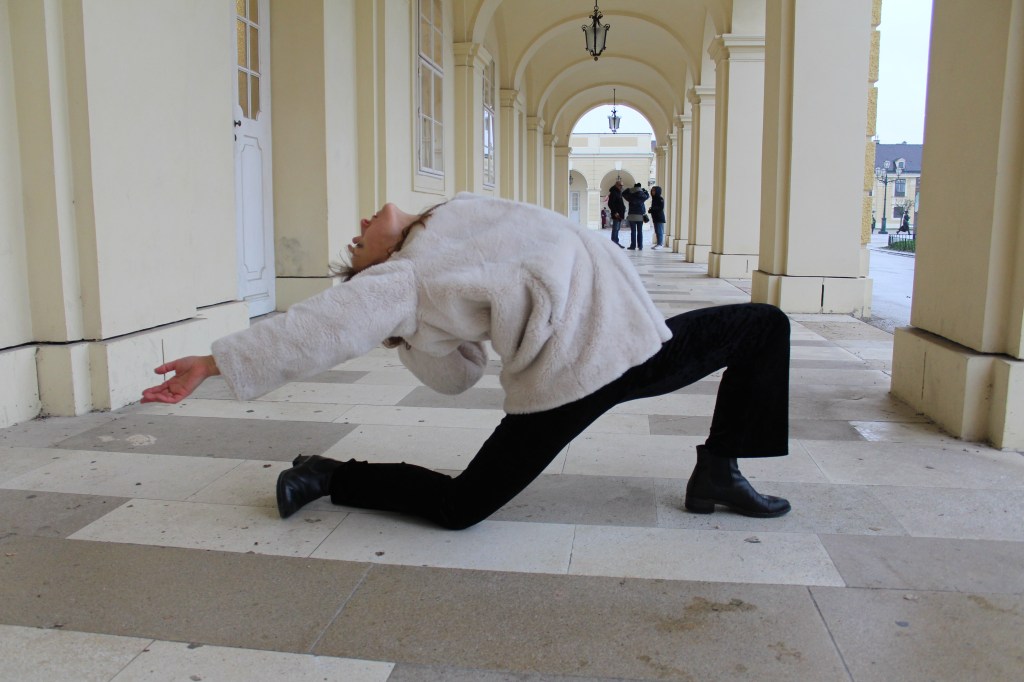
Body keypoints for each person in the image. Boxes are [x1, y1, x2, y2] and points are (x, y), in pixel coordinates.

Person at [142, 194, 792, 529]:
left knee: (763, 326)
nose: (360, 225)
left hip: (629, 336)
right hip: (573, 372)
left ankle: (718, 470)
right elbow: (320, 330)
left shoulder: (450, 213)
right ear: (377, 267)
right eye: (357, 244)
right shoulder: (401, 279)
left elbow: (467, 361)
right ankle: (329, 474)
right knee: (460, 508)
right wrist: (216, 362)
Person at [622, 182, 650, 250]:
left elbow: (623, 193)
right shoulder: (642, 195)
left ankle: (633, 246)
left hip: (632, 215)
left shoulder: (630, 195)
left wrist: (629, 189)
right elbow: (648, 196)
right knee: (640, 231)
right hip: (640, 215)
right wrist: (644, 190)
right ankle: (640, 246)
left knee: (633, 232)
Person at [607, 180, 626, 248]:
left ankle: (616, 242)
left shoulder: (618, 192)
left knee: (617, 229)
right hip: (616, 214)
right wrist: (615, 212)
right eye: (620, 185)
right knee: (615, 228)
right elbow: (610, 203)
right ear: (616, 185)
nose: (621, 187)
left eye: (622, 185)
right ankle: (614, 243)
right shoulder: (614, 192)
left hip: (619, 214)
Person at [649, 185, 667, 249]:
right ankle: (658, 243)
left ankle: (660, 244)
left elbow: (660, 208)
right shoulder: (654, 199)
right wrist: (651, 210)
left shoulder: (660, 198)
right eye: (652, 190)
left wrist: (652, 209)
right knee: (656, 231)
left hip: (659, 217)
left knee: (659, 231)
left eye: (654, 190)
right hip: (655, 217)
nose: (652, 192)